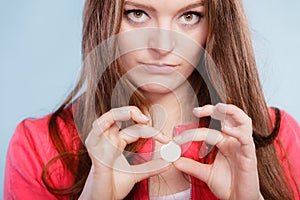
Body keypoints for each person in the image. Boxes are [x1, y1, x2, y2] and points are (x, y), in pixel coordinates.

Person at [4, 0, 300, 199]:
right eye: (137, 13)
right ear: (105, 17)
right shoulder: (38, 144)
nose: (162, 45)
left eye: (189, 16)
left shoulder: (278, 136)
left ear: (216, 26)